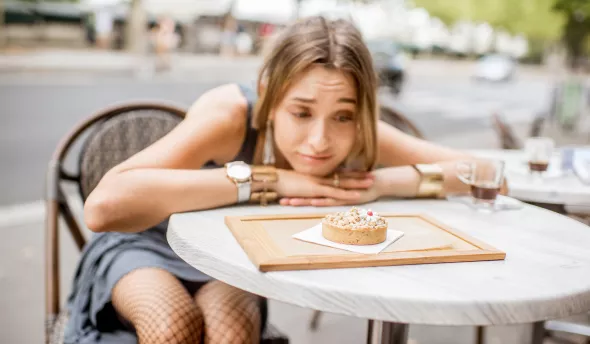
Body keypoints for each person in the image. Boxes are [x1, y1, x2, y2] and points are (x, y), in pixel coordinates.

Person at [65, 16, 476, 344]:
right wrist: (269, 180)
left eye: (343, 116)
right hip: (149, 241)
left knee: (230, 331)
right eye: (301, 112)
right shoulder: (230, 113)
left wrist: (383, 183)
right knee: (172, 325)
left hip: (231, 261)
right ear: (268, 94)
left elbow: (485, 174)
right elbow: (104, 207)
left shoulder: (358, 132)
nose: (320, 140)